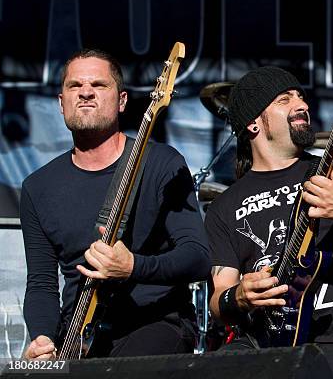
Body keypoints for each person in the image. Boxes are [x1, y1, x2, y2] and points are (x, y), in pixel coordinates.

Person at [205, 66, 333, 378]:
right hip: (268, 345)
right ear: (253, 123)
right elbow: (218, 299)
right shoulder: (225, 206)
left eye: (301, 97)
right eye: (284, 99)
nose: (302, 105)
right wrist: (239, 295)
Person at [21, 49, 210, 359]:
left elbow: (198, 258)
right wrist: (42, 338)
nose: (85, 92)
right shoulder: (38, 187)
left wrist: (133, 266)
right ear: (61, 103)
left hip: (155, 324)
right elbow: (41, 282)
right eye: (74, 86)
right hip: (79, 339)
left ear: (122, 101)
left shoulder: (161, 163)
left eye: (98, 84)